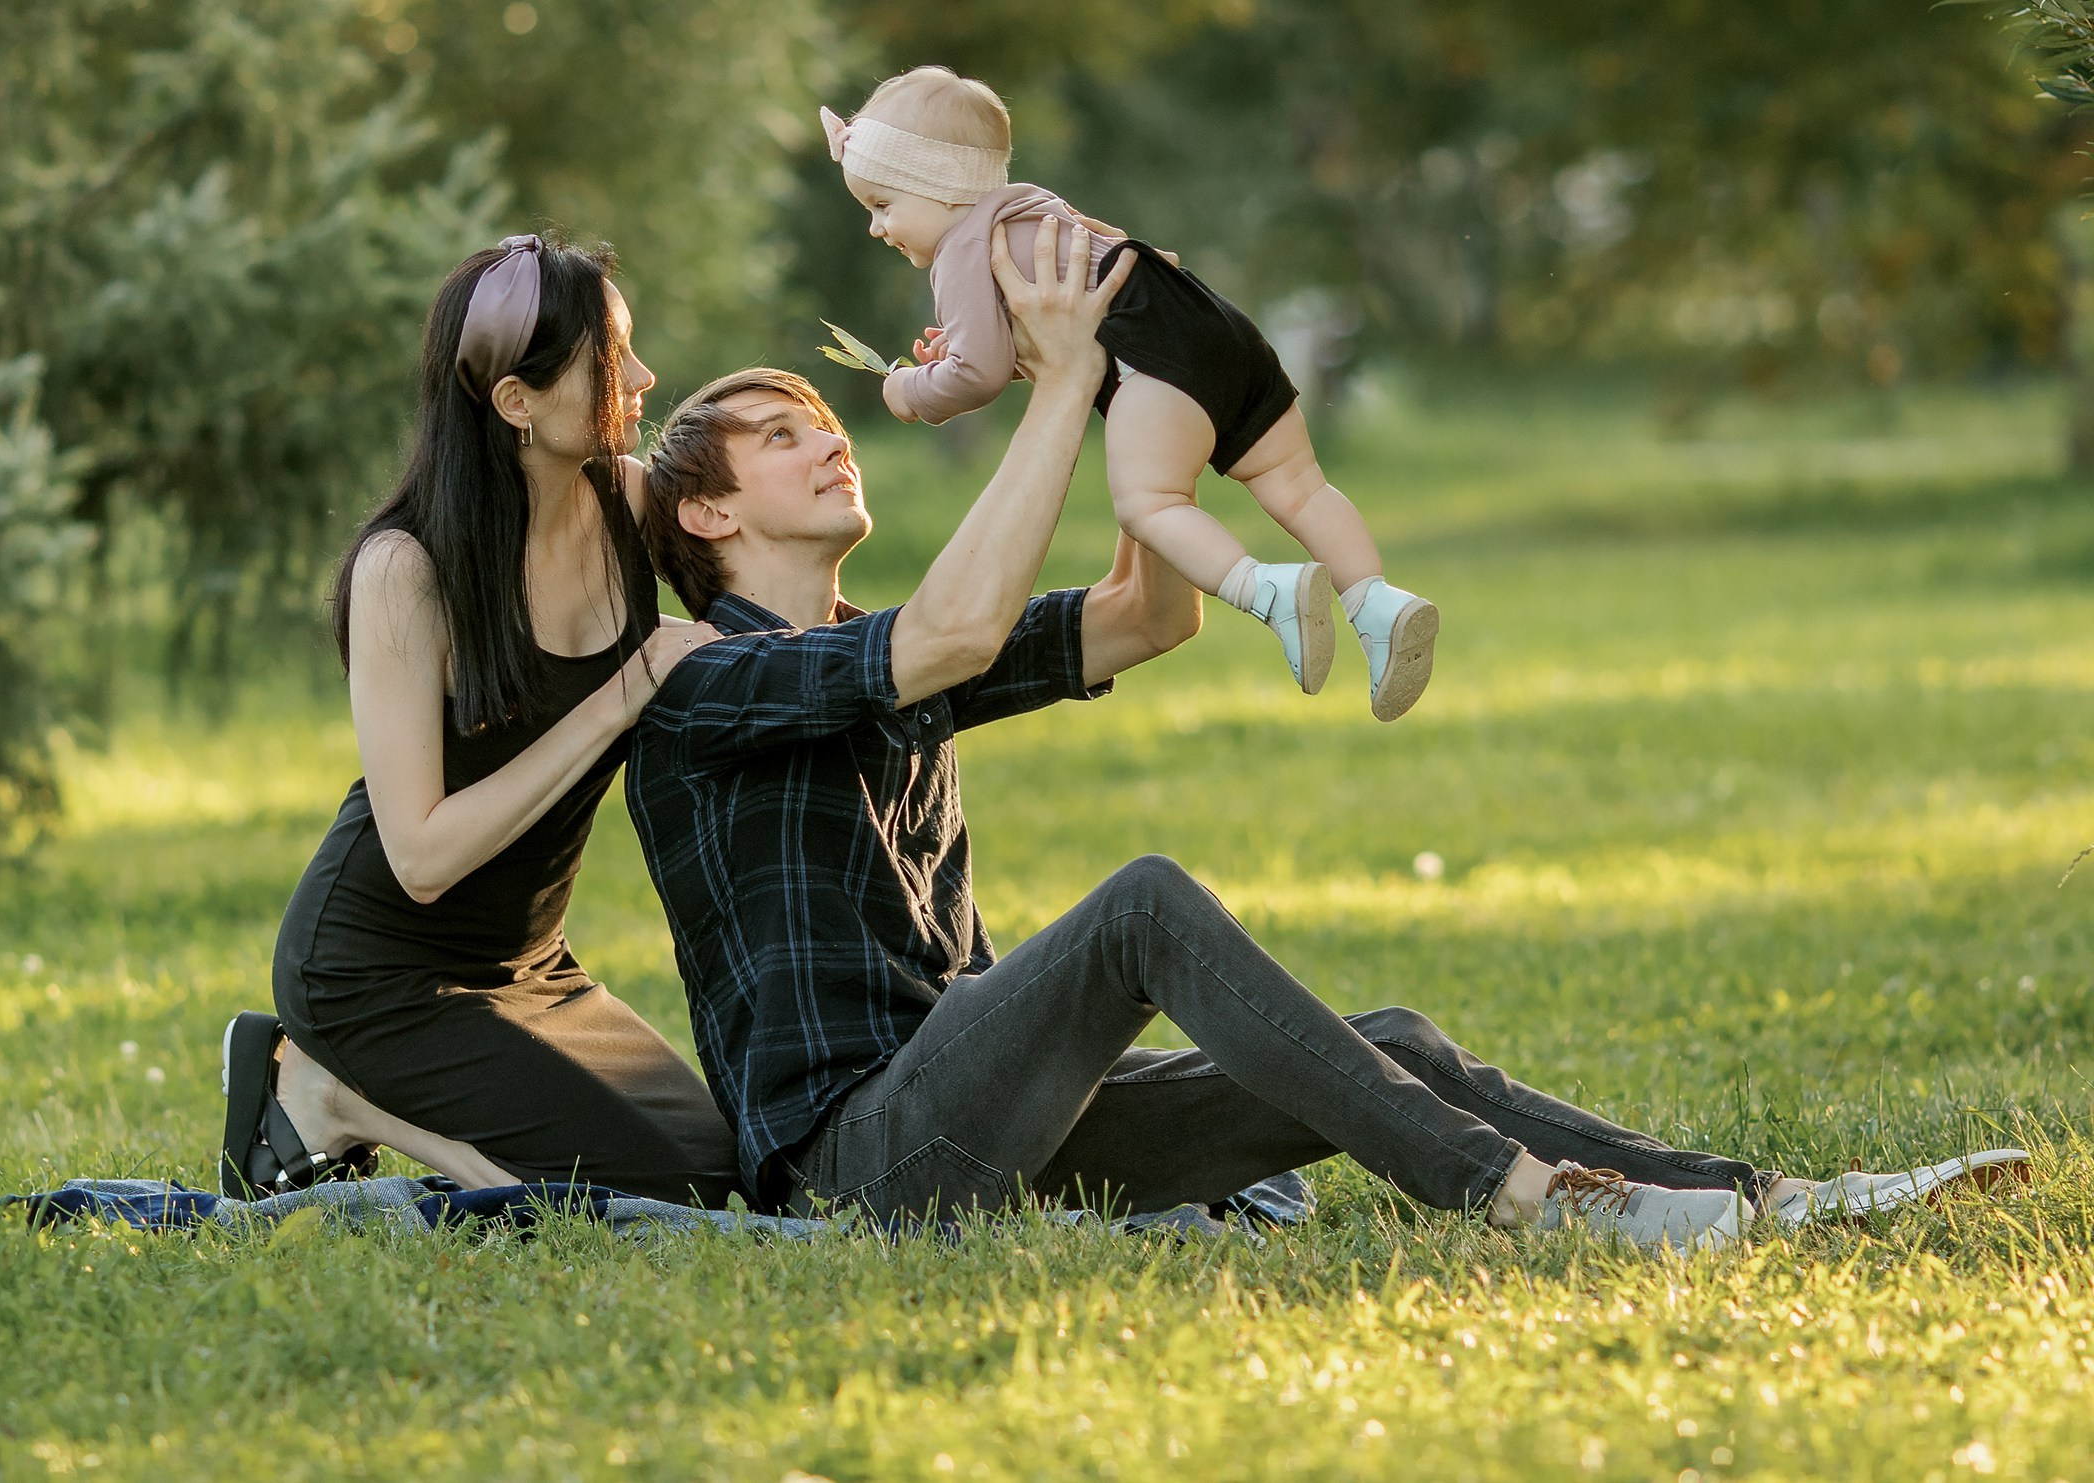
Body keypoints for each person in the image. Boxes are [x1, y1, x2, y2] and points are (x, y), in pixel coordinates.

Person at [621, 215, 2025, 1247]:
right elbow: (945, 633)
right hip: (861, 1161)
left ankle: (1749, 1198)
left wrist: (1131, 375)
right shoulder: (694, 678)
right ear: (704, 511)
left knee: (1396, 1037)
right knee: (1141, 905)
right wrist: (1046, 386)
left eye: (823, 418)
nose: (825, 437)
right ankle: (1524, 1197)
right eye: (775, 431)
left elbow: (1141, 617)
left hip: (990, 1107)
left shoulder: (874, 655)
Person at [219, 234, 743, 1208]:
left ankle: (345, 1099)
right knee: (663, 1202)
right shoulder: (405, 573)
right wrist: (625, 690)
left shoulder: (625, 504)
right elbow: (419, 855)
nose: (642, 376)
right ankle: (332, 1094)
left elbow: (751, 626)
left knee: (722, 1170)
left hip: (526, 960)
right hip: (378, 969)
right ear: (516, 403)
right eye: (606, 361)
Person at [820, 65, 1435, 721]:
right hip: (1208, 318)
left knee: (1150, 501)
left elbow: (979, 373)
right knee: (1298, 481)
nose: (876, 229)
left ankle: (1269, 590)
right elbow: (1066, 300)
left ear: (937, 188)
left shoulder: (960, 249)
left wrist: (909, 389)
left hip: (1152, 357)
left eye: (883, 206)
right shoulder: (1032, 202)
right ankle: (1377, 601)